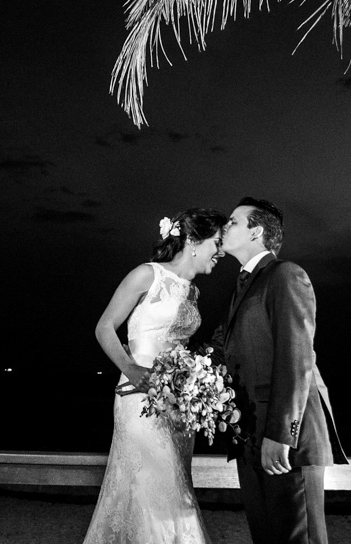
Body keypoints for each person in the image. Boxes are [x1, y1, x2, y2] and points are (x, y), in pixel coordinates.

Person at [82, 208, 228, 544]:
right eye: (217, 243)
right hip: (138, 397)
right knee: (155, 487)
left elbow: (179, 348)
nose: (220, 252)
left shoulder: (192, 292)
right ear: (193, 241)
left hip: (178, 403)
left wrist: (195, 381)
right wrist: (131, 369)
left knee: (177, 485)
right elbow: (104, 327)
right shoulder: (146, 275)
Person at [210, 197, 347, 544]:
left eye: (234, 221)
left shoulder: (286, 275)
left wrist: (282, 435)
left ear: (256, 231)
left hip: (286, 441)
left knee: (298, 539)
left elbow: (297, 359)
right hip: (250, 436)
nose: (224, 227)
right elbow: (217, 350)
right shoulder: (242, 286)